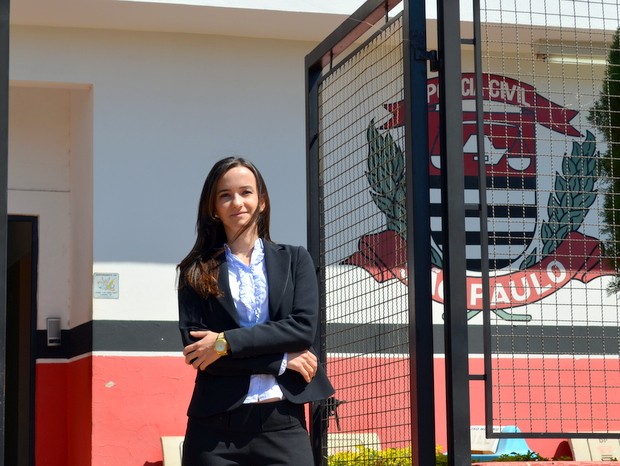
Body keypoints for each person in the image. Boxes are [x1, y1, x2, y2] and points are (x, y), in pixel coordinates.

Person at [177, 156, 335, 466]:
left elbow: (302, 329)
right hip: (213, 431)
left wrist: (225, 342)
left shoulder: (295, 260)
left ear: (262, 201)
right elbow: (199, 353)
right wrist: (281, 361)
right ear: (214, 208)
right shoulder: (194, 270)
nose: (237, 202)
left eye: (246, 192)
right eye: (225, 195)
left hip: (283, 423)